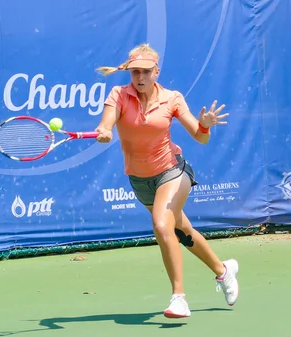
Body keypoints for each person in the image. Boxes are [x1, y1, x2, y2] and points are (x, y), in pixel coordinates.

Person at [93, 43, 240, 318]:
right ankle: (223, 271)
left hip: (173, 172)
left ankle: (179, 298)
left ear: (156, 72)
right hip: (140, 181)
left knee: (162, 226)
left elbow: (201, 137)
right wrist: (103, 131)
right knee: (181, 231)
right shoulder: (119, 95)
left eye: (146, 72)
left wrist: (205, 124)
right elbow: (106, 123)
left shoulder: (172, 98)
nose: (140, 77)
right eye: (135, 72)